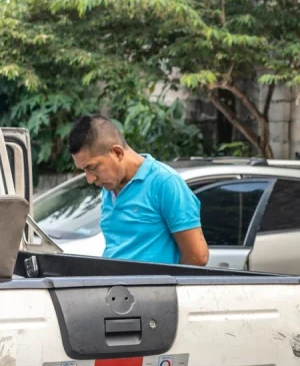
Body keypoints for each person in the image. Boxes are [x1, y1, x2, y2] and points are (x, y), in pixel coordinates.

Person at [68, 114, 208, 266]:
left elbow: (197, 257)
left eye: (93, 167)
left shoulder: (164, 182)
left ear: (117, 153)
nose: (90, 179)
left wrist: (160, 280)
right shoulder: (109, 188)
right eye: (84, 170)